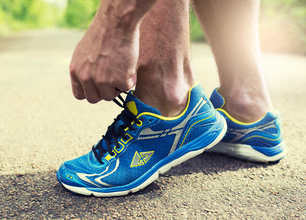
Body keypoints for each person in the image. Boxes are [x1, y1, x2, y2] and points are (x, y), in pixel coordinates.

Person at [57, 0, 286, 197]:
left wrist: (113, 25)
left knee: (166, 89)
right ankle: (246, 104)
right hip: (254, 118)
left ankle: (168, 95)